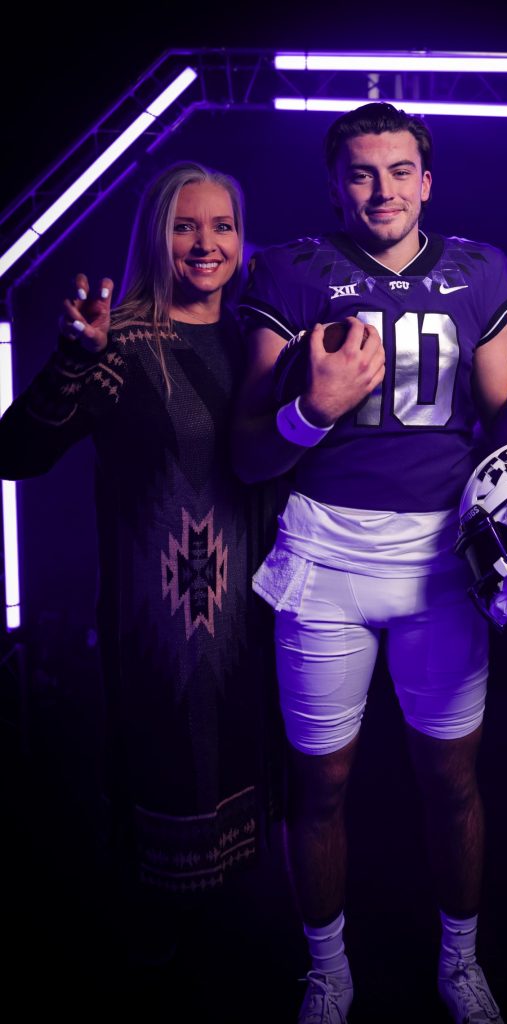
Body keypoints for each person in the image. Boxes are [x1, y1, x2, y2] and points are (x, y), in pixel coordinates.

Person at [232, 101, 507, 1024]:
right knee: (321, 781)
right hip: (327, 551)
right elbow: (251, 453)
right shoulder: (289, 272)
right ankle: (327, 968)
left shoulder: (477, 268)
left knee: (450, 777)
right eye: (362, 173)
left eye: (399, 170)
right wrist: (315, 409)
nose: (382, 189)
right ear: (336, 182)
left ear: (428, 178)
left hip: (440, 560)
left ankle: (460, 962)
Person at [0, 161, 279, 966]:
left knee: (250, 820)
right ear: (155, 236)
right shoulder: (115, 337)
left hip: (253, 622)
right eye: (184, 225)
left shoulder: (256, 337)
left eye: (222, 225)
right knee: (162, 837)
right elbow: (15, 453)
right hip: (154, 630)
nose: (205, 243)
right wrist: (72, 361)